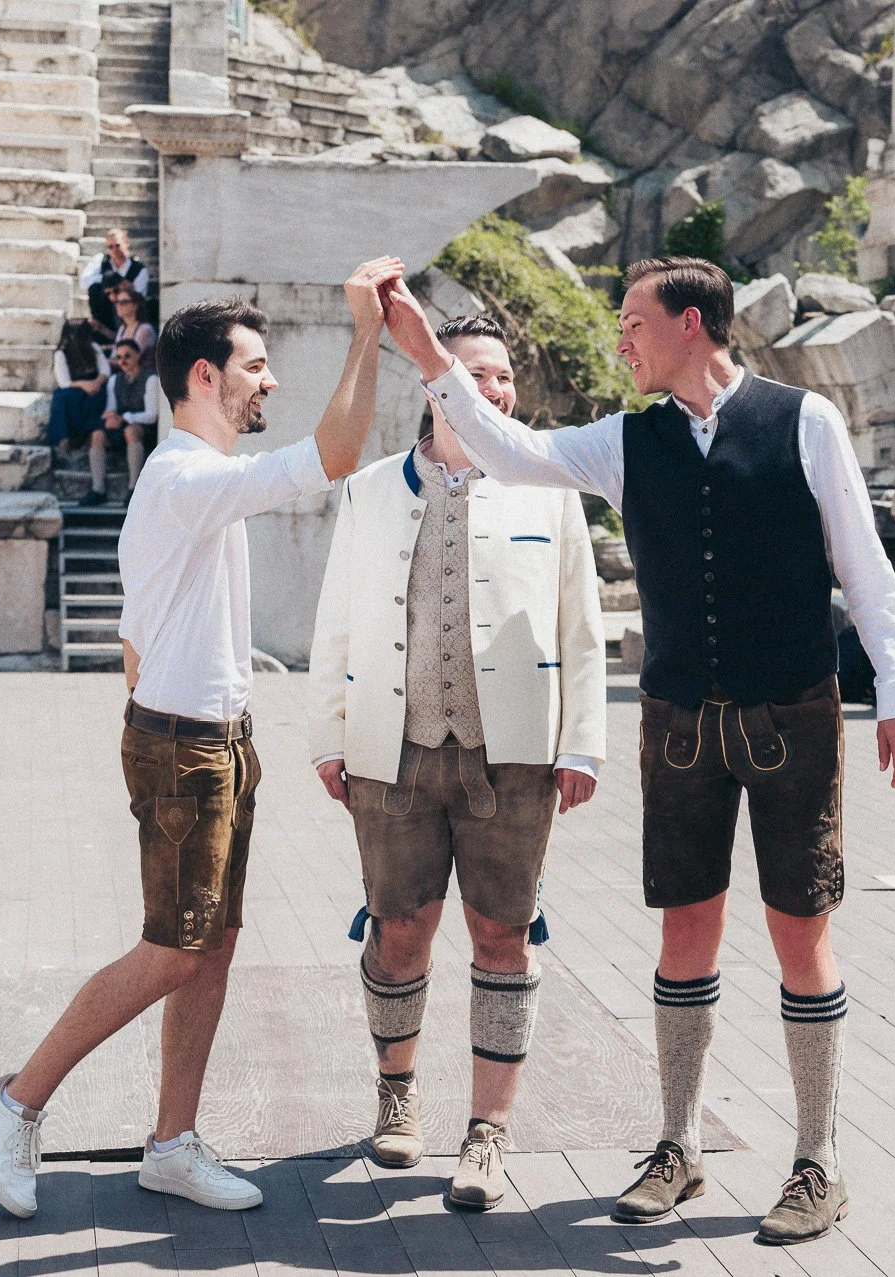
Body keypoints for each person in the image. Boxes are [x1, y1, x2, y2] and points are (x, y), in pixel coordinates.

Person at [380, 258, 895, 1245]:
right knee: (686, 933)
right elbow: (505, 448)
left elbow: (864, 562)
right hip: (680, 722)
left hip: (793, 714)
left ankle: (818, 1158)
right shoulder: (625, 442)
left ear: (691, 323)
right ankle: (676, 1144)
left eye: (634, 322)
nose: (621, 340)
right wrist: (428, 358)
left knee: (801, 931)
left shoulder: (804, 423)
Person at [0, 258, 404, 1219]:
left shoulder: (188, 484)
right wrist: (367, 333)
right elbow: (332, 454)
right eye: (254, 365)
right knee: (172, 948)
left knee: (215, 944)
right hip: (186, 749)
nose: (268, 381)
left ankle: (171, 1143)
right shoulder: (187, 474)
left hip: (217, 738)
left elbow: (134, 633)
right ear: (204, 376)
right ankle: (12, 1100)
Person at [306, 314, 607, 1210]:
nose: (497, 389)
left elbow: (581, 626)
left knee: (501, 936)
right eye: (478, 372)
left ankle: (488, 1131)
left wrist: (583, 741)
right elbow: (335, 621)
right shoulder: (367, 492)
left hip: (514, 756)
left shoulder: (546, 490)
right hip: (391, 753)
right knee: (398, 931)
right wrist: (329, 734)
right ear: (437, 388)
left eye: (505, 376)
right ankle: (396, 1095)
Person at [100, 338, 160, 502]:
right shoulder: (114, 380)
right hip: (121, 427)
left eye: (127, 356)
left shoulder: (151, 379)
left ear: (138, 356)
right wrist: (110, 416)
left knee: (131, 430)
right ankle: (97, 489)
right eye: (119, 357)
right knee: (97, 435)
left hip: (145, 430)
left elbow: (152, 415)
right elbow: (111, 406)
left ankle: (133, 487)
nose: (123, 361)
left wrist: (125, 418)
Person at [49, 317, 110, 479]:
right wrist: (85, 385)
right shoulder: (61, 354)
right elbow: (64, 382)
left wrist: (97, 382)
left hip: (94, 388)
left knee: (99, 395)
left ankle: (89, 434)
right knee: (63, 398)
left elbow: (105, 370)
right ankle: (66, 438)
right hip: (75, 389)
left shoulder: (93, 348)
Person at [81, 227, 152, 337]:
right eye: (110, 247)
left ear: (126, 243)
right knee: (95, 288)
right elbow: (84, 281)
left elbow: (139, 296)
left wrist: (121, 291)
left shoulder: (139, 269)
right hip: (104, 310)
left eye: (118, 245)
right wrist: (112, 281)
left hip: (127, 312)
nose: (114, 249)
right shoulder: (101, 261)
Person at [111, 286, 157, 367]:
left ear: (135, 305)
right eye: (117, 302)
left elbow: (132, 358)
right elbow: (114, 355)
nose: (118, 306)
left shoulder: (144, 329)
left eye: (123, 302)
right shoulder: (122, 328)